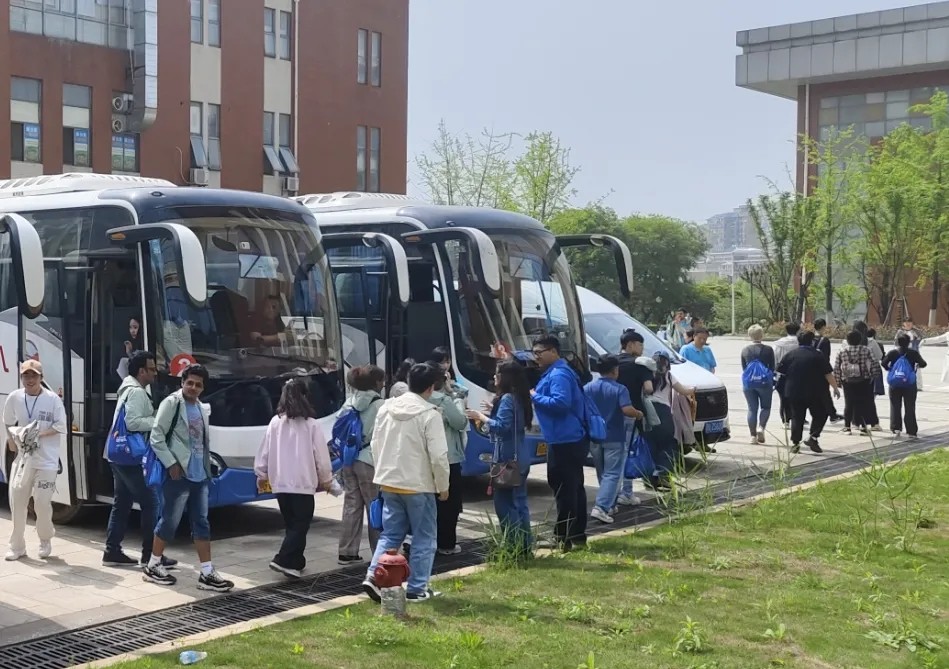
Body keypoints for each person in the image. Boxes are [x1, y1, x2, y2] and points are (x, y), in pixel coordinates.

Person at [362, 362, 449, 603]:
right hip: (419, 485)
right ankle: (417, 587)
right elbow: (439, 457)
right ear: (431, 388)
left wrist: (381, 473)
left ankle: (374, 576)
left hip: (389, 481)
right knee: (424, 537)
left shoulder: (386, 408)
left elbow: (375, 445)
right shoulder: (430, 414)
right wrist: (443, 487)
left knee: (390, 535)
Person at [144, 364, 234, 591]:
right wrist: (171, 463)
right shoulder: (172, 403)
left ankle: (206, 572)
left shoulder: (201, 408)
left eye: (198, 384)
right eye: (189, 383)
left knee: (201, 522)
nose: (193, 387)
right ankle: (153, 565)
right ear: (182, 383)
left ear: (203, 388)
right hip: (178, 474)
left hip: (200, 475)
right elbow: (156, 436)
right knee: (170, 520)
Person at [103, 351, 178, 569]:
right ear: (141, 371)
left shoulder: (128, 389)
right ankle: (150, 555)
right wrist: (157, 420)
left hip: (117, 454)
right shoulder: (135, 392)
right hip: (131, 457)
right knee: (151, 502)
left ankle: (112, 550)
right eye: (152, 369)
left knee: (122, 502)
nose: (155, 373)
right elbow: (133, 423)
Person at [254, 378, 335, 578]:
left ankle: (296, 562)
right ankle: (282, 558)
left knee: (292, 524)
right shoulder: (311, 425)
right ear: (306, 397)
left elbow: (264, 451)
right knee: (301, 524)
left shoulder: (275, 422)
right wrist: (327, 479)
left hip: (280, 482)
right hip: (302, 483)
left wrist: (261, 473)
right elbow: (321, 457)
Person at [465, 362, 533, 554]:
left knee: (505, 505)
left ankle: (512, 546)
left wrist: (482, 417)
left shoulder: (507, 399)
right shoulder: (519, 397)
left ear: (505, 378)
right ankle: (525, 546)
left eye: (496, 374)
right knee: (520, 503)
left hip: (507, 460)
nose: (494, 378)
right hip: (520, 456)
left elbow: (501, 427)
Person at [4, 360, 67, 561]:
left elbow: (60, 426)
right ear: (21, 377)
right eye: (26, 376)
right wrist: (13, 439)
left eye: (34, 376)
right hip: (23, 460)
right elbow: (7, 421)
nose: (30, 380)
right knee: (17, 501)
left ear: (41, 378)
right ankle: (17, 546)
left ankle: (45, 538)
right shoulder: (14, 397)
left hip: (47, 461)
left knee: (41, 503)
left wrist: (37, 434)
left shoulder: (53, 400)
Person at [530, 334, 588, 550]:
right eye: (534, 353)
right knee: (573, 488)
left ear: (553, 352)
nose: (536, 357)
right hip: (568, 437)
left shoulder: (559, 375)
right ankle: (577, 535)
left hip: (565, 440)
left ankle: (563, 537)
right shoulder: (558, 371)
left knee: (564, 489)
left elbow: (560, 403)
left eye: (539, 353)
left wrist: (534, 395)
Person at [336, 365, 386, 565]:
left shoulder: (350, 402)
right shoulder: (381, 404)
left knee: (351, 504)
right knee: (375, 504)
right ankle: (379, 551)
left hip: (349, 458)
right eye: (382, 381)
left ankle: (347, 551)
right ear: (375, 383)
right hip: (369, 460)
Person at [584, 356, 641, 524]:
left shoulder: (587, 388)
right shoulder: (619, 389)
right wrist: (638, 413)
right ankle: (601, 507)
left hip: (594, 436)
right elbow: (627, 410)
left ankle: (610, 504)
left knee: (603, 472)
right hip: (615, 436)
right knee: (613, 473)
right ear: (615, 370)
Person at [777, 331, 840, 453]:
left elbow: (781, 373)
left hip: (794, 392)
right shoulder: (817, 355)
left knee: (797, 417)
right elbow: (828, 374)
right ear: (812, 341)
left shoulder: (790, 355)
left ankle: (795, 444)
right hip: (815, 392)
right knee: (821, 414)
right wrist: (835, 388)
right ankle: (813, 436)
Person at [428, 374, 469, 555]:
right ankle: (446, 544)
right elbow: (460, 422)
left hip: (425, 459)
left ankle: (428, 542)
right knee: (449, 503)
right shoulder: (444, 400)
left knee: (429, 504)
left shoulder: (418, 400)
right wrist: (456, 398)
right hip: (448, 457)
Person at [645, 351, 695, 488]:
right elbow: (684, 391)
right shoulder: (668, 376)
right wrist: (693, 389)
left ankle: (649, 478)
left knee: (650, 444)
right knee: (669, 444)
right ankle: (663, 476)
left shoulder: (647, 375)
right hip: (662, 412)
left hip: (647, 411)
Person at [615, 329, 651, 506]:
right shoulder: (639, 364)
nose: (642, 348)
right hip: (632, 413)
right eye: (640, 344)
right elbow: (649, 388)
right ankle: (626, 492)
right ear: (630, 345)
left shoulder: (611, 361)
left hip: (610, 414)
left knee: (612, 455)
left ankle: (611, 493)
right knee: (628, 453)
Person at [834, 331, 880, 437]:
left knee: (849, 403)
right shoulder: (866, 350)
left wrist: (838, 381)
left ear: (847, 340)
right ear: (860, 339)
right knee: (863, 403)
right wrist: (873, 376)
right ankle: (864, 428)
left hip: (848, 381)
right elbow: (874, 363)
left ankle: (847, 427)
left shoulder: (842, 351)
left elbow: (837, 367)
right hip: (864, 380)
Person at [881, 335, 927, 438]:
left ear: (897, 342)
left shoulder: (893, 353)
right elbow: (923, 364)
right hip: (909, 384)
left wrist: (890, 369)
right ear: (909, 342)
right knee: (910, 407)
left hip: (895, 384)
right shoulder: (913, 353)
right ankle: (911, 430)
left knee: (895, 406)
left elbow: (883, 363)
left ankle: (895, 428)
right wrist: (915, 367)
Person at [740, 324, 775, 444]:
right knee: (766, 407)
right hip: (764, 382)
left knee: (752, 409)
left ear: (749, 335)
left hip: (749, 384)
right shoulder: (768, 349)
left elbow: (744, 368)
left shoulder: (745, 350)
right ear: (762, 335)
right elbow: (772, 367)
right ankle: (761, 427)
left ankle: (753, 436)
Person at [812, 318, 841, 422]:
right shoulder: (824, 340)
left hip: (810, 369)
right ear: (823, 327)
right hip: (821, 370)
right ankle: (832, 414)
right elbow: (826, 357)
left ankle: (830, 413)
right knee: (825, 392)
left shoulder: (809, 338)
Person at [773, 322, 801, 427]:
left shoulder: (778, 344)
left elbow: (774, 359)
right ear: (798, 331)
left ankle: (785, 420)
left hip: (782, 375)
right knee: (797, 399)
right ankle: (796, 418)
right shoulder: (800, 343)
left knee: (784, 399)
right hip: (798, 376)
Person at [867, 328, 886, 397]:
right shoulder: (878, 344)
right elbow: (881, 356)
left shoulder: (861, 342)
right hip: (875, 368)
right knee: (874, 390)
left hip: (863, 369)